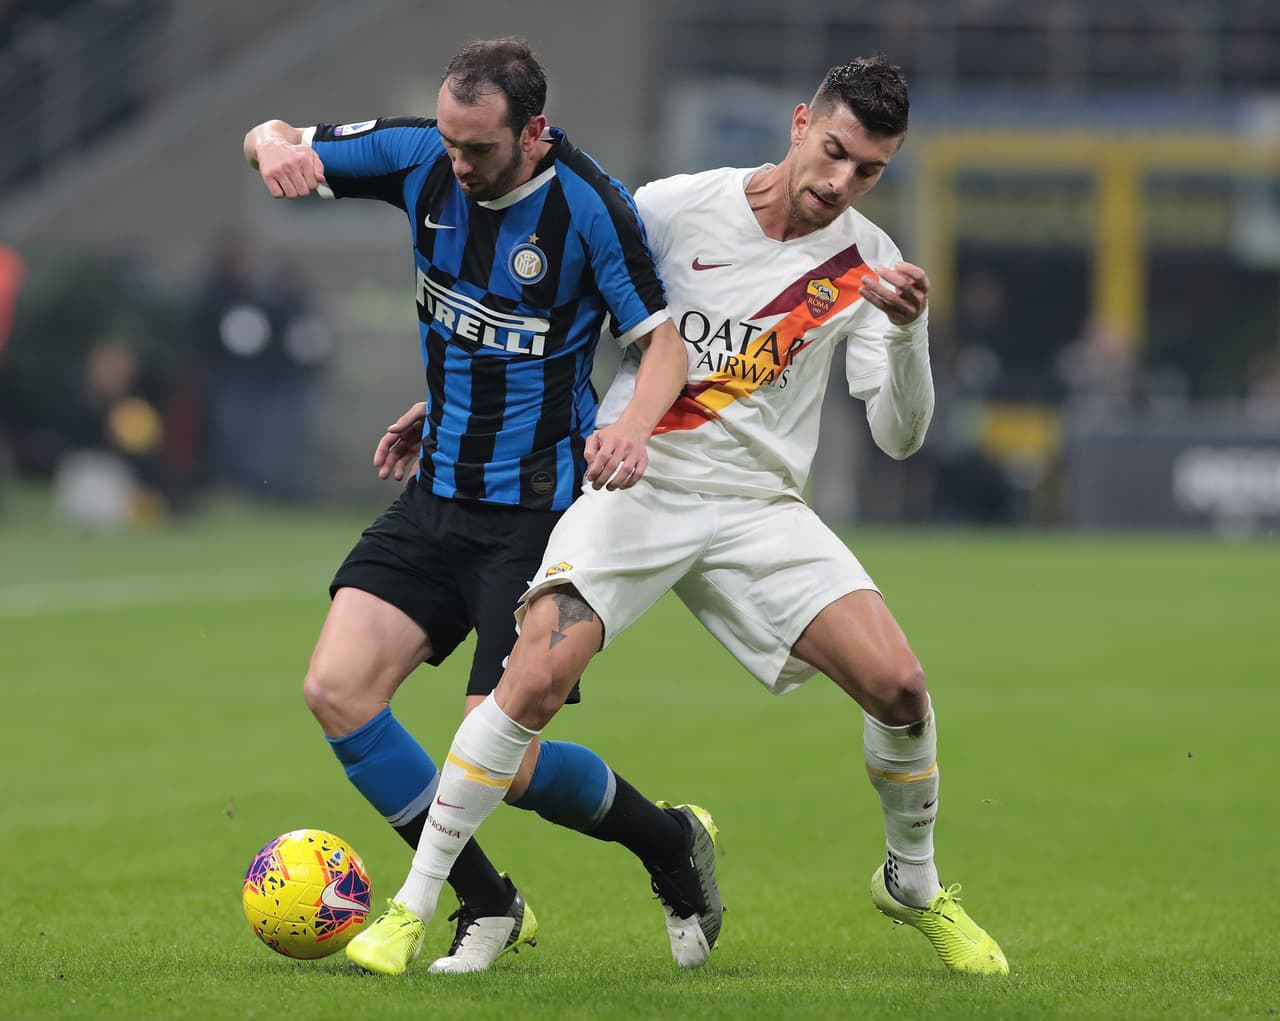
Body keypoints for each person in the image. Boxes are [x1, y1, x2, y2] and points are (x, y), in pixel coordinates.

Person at [355, 54, 1009, 977]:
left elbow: (901, 436)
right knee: (531, 682)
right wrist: (461, 401)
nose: (839, 182)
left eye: (868, 170)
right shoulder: (672, 207)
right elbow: (555, 309)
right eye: (832, 152)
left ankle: (912, 879)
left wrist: (907, 334)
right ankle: (413, 908)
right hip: (639, 487)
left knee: (901, 687)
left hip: (759, 512)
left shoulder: (868, 265)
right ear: (798, 124)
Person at [242, 37, 721, 975]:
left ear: (533, 131)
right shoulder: (422, 155)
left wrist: (631, 430)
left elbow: (662, 344)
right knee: (335, 689)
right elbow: (274, 133)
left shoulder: (591, 206)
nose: (458, 167)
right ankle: (489, 902)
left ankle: (668, 841)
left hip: (533, 515)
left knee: (502, 754)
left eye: (480, 151)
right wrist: (271, 145)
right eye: (452, 144)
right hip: (435, 496)